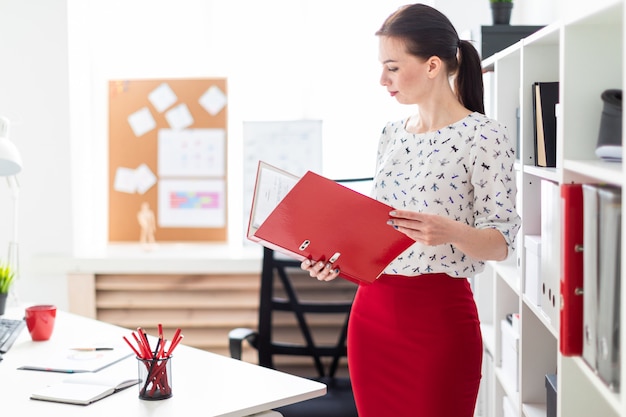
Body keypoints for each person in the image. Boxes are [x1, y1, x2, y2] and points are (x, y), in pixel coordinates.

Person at [301, 4, 521, 416]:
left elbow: (501, 244)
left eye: (393, 67)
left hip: (439, 324)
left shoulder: (485, 136)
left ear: (433, 65)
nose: (382, 80)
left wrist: (450, 231)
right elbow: (378, 233)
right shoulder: (390, 135)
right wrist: (335, 260)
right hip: (372, 317)